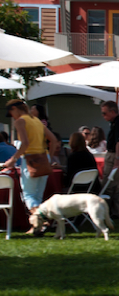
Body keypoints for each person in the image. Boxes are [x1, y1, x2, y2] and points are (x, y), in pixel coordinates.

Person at [3, 99, 59, 233]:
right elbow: (54, 140)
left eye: (11, 113)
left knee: (28, 195)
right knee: (38, 196)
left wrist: (13, 159)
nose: (12, 117)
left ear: (15, 109)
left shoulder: (20, 121)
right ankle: (37, 226)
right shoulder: (37, 121)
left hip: (30, 160)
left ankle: (43, 222)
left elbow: (25, 143)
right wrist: (49, 157)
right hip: (44, 157)